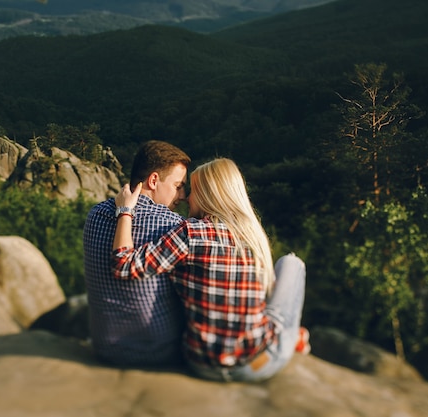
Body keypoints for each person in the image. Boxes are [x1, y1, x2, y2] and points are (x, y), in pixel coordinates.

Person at [111, 158, 307, 382]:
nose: (186, 197)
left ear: (208, 195)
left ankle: (294, 337)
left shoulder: (189, 233)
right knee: (292, 264)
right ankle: (293, 338)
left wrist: (125, 210)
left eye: (193, 190)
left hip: (201, 364)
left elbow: (124, 265)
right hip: (255, 365)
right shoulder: (253, 237)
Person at [83, 140, 191, 367]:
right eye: (178, 185)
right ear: (153, 180)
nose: (181, 195)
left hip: (104, 346)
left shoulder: (95, 214)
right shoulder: (174, 225)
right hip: (156, 351)